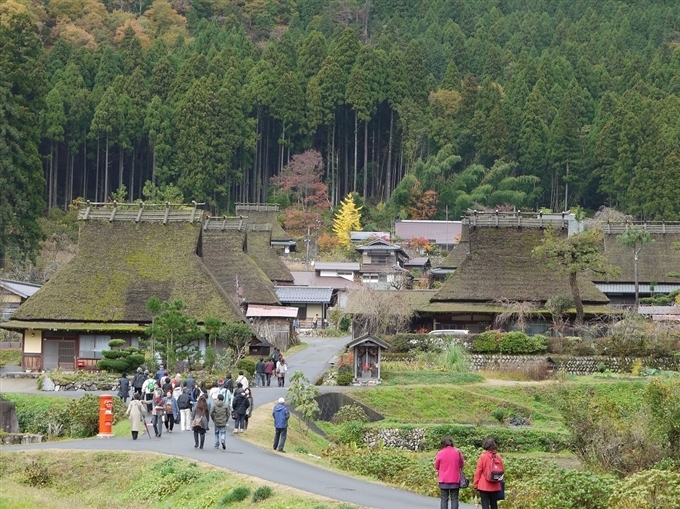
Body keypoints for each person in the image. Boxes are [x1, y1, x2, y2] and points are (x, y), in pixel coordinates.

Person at [434, 436, 465, 509]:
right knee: (454, 499)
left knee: (444, 499)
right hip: (455, 479)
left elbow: (436, 466)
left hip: (443, 479)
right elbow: (461, 465)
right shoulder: (457, 452)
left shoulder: (440, 453)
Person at [474, 437, 503, 509]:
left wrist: (475, 484)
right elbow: (501, 470)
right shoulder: (498, 457)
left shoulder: (483, 457)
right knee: (494, 504)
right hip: (495, 485)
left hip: (484, 485)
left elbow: (478, 471)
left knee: (485, 504)